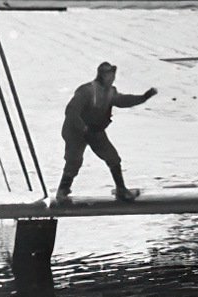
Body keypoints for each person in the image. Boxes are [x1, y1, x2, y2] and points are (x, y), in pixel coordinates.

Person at [55, 62, 157, 202]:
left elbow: (122, 100)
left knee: (113, 158)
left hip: (95, 131)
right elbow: (72, 110)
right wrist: (81, 125)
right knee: (74, 160)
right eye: (108, 75)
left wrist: (143, 97)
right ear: (101, 75)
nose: (111, 78)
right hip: (75, 132)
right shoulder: (87, 90)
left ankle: (121, 189)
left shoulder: (110, 92)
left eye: (112, 75)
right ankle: (62, 190)